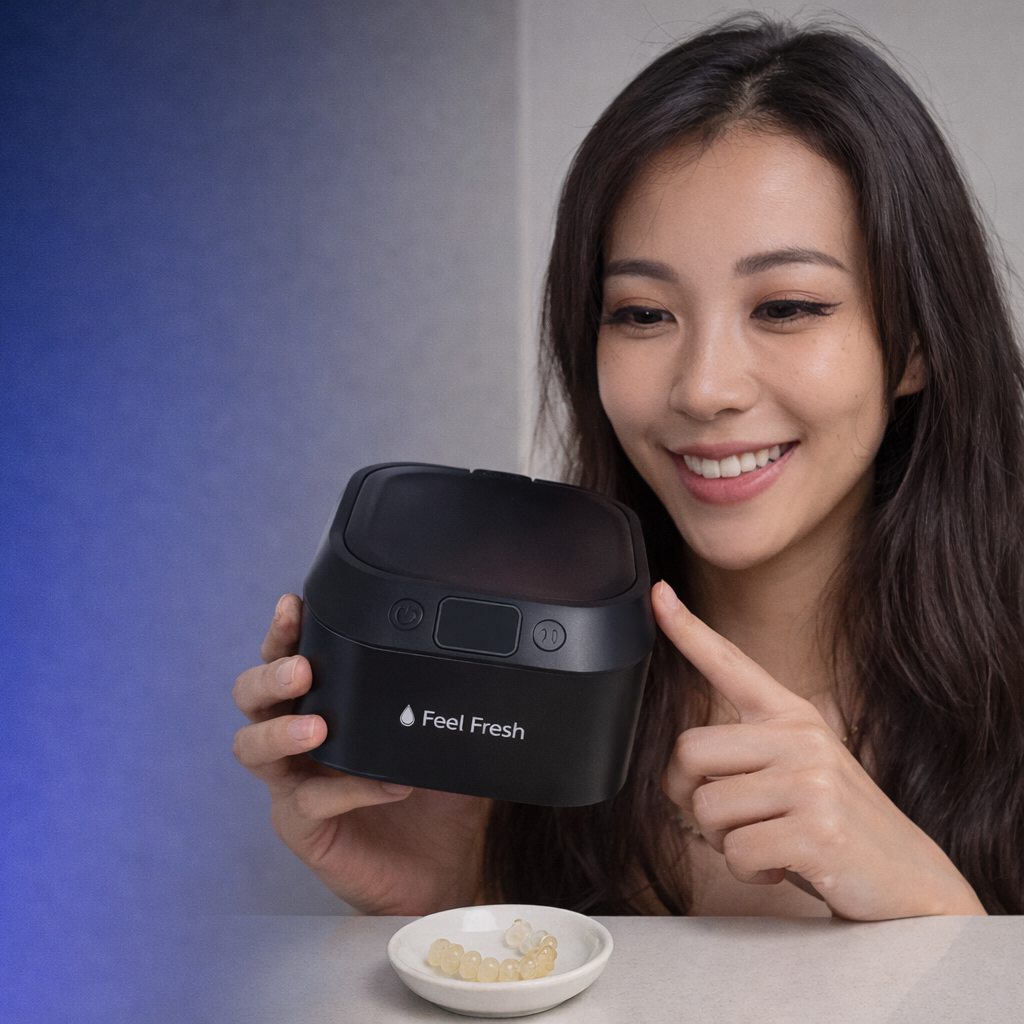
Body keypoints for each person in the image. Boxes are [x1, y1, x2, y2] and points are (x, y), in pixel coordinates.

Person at [232, 15, 1024, 919]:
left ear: (915, 343)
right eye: (643, 315)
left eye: (789, 306)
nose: (705, 388)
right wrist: (452, 897)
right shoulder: (525, 708)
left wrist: (942, 923)